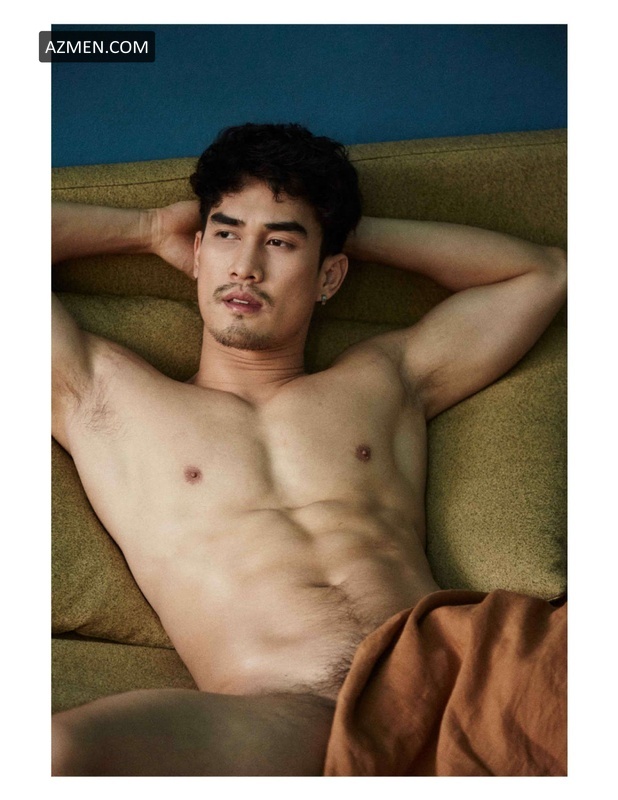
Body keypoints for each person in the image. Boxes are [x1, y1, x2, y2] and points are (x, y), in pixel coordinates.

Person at [51, 122, 567, 776]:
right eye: (226, 234)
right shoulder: (103, 396)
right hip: (285, 710)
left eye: (280, 243)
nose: (246, 266)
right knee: (56, 751)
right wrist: (150, 229)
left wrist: (335, 230)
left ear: (330, 276)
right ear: (199, 251)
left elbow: (541, 275)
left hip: (452, 671)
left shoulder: (383, 380)